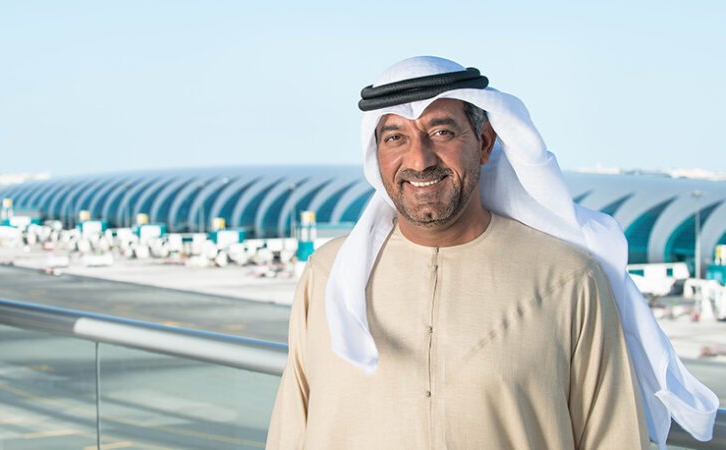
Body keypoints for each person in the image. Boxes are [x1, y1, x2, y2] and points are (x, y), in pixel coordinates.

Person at [266, 56, 717, 449]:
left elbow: (613, 438)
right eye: (395, 138)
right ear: (377, 154)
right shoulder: (327, 275)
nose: (420, 160)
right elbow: (290, 432)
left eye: (441, 131)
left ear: (484, 143)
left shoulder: (568, 280)